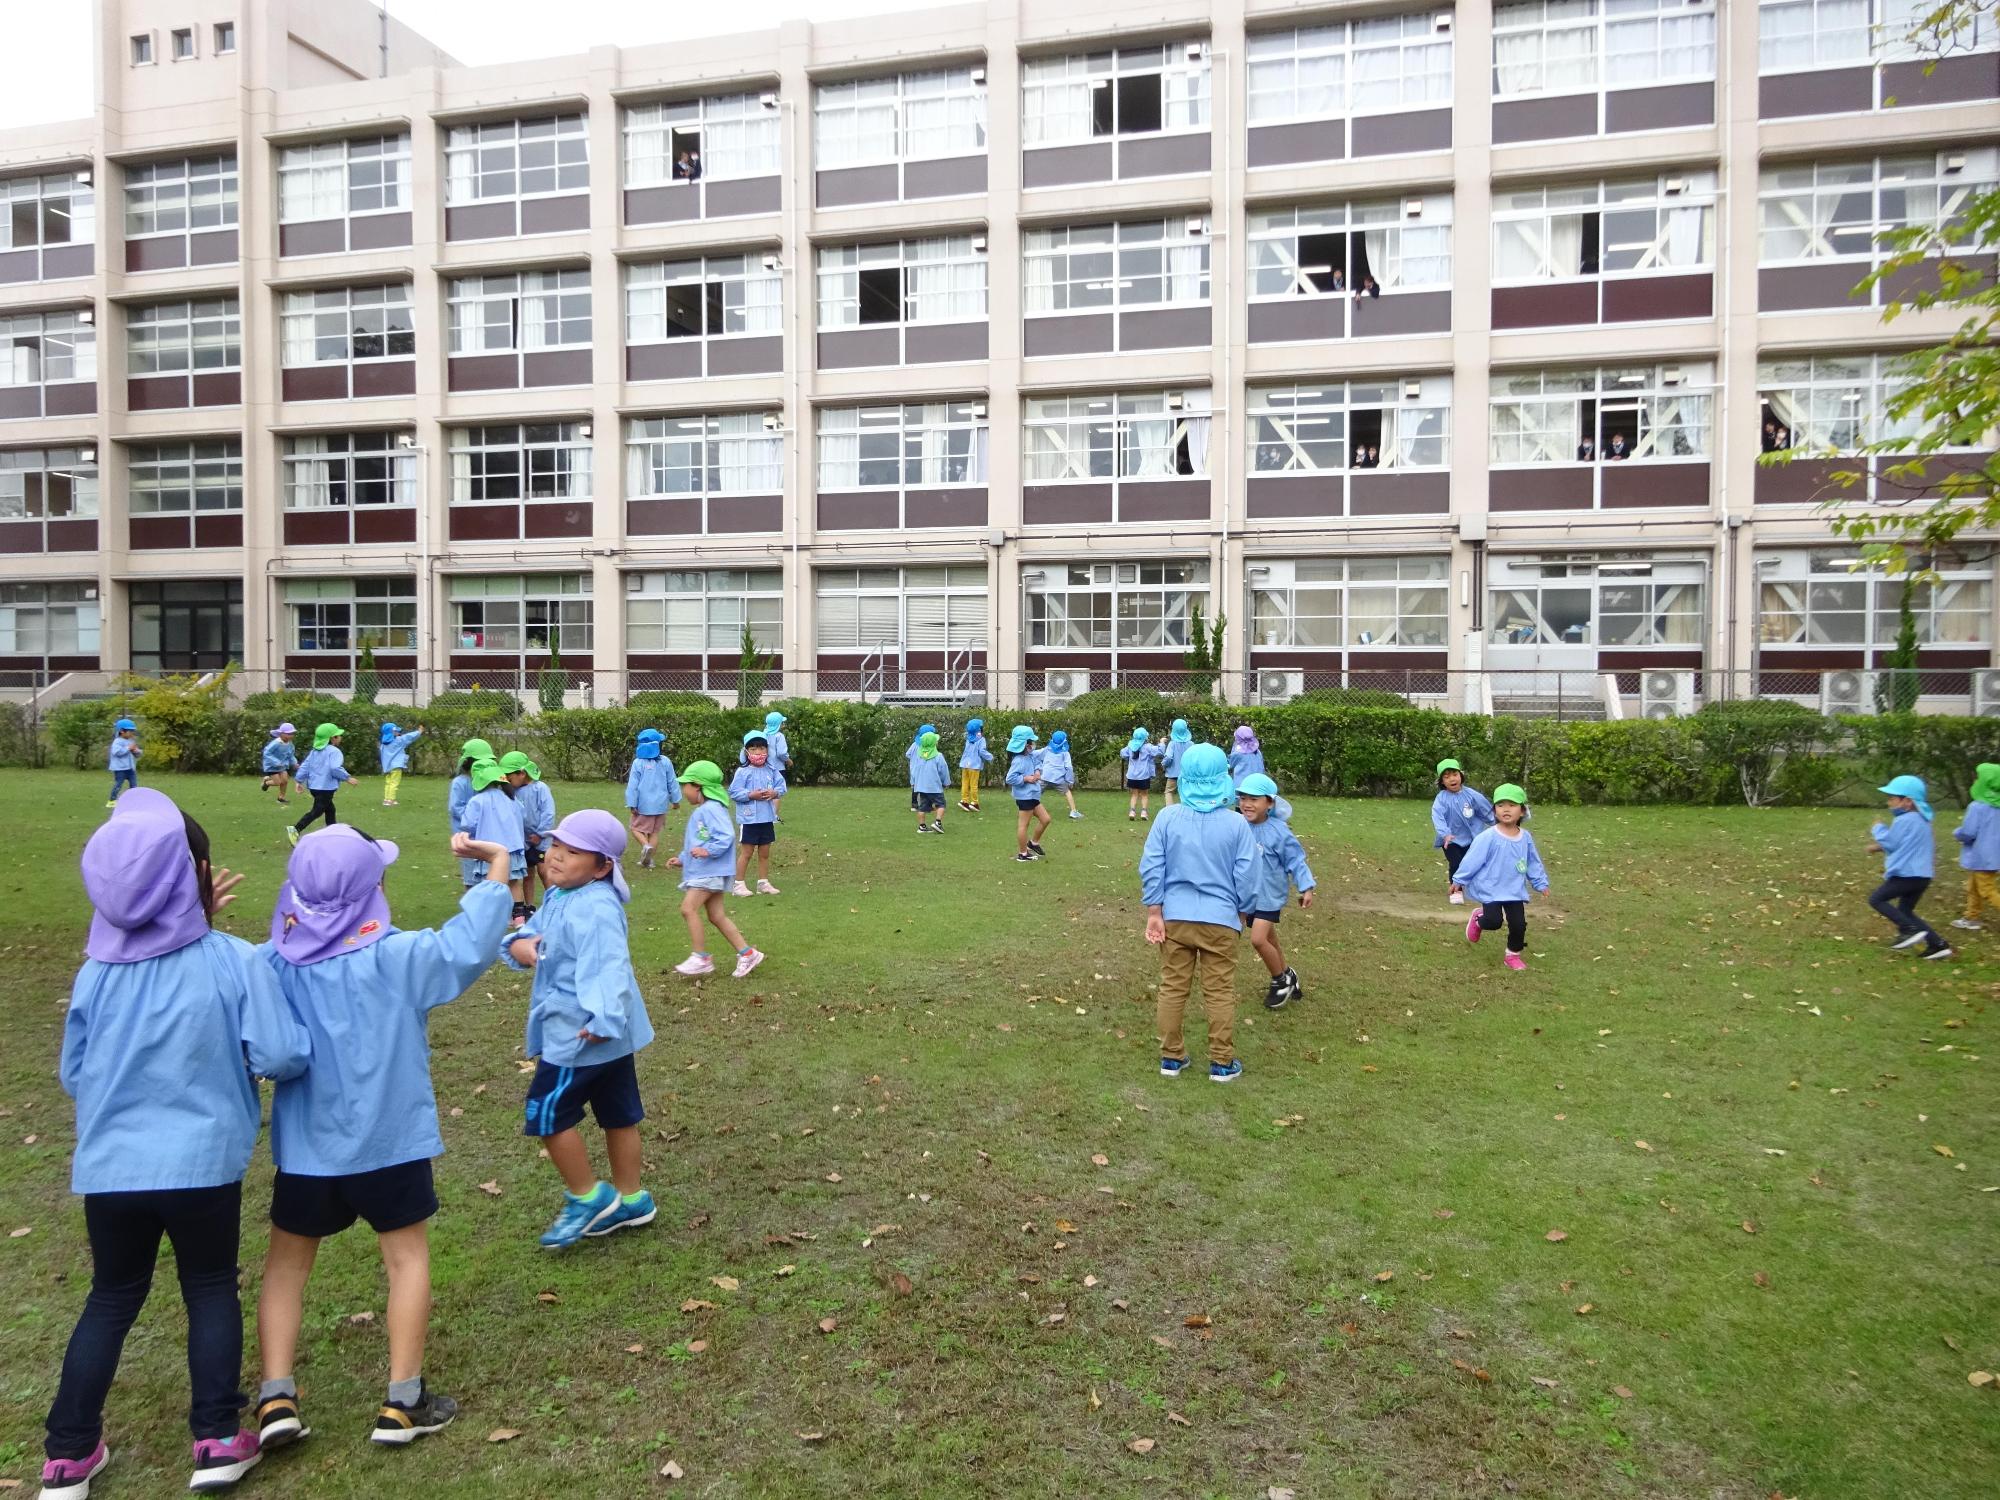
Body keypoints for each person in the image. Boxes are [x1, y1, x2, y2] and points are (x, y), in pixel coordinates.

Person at [44, 790, 311, 1498]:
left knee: (111, 1297)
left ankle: (67, 1456)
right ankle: (218, 1437)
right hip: (202, 1166)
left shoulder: (95, 973)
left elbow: (76, 1072)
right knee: (209, 1288)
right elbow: (283, 1054)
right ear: (197, 873)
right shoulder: (234, 961)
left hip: (111, 1169)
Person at [254, 827, 512, 1456]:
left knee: (287, 1265)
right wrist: (498, 866)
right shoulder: (398, 958)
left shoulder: (269, 965)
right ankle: (402, 1400)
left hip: (307, 1150)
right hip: (390, 1143)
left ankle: (275, 1395)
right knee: (407, 1260)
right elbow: (469, 943)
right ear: (373, 889)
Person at [503, 810, 660, 1249]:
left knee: (547, 1114)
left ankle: (588, 1197)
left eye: (572, 852)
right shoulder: (561, 895)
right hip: (604, 1035)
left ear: (602, 866)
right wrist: (518, 944)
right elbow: (530, 934)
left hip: (581, 1034)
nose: (556, 857)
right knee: (619, 1114)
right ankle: (631, 1199)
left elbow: (609, 966)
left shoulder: (595, 907)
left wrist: (604, 1019)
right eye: (555, 847)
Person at [1138, 744, 1259, 1084]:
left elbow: (1152, 865)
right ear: (1225, 778)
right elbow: (1248, 875)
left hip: (1175, 917)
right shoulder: (1237, 825)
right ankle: (1221, 1062)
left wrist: (1154, 909)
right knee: (1219, 989)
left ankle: (1171, 1057)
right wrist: (1243, 910)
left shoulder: (1167, 817)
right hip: (1221, 919)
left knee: (1173, 987)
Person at [668, 761, 762, 978]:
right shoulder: (706, 810)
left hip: (709, 872)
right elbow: (699, 840)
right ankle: (748, 954)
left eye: (687, 786)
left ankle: (701, 957)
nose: (684, 791)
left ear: (698, 786)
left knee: (688, 909)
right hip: (708, 870)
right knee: (716, 916)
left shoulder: (711, 809)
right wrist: (683, 858)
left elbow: (725, 837)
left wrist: (707, 851)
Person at [1236, 774, 1316, 1009]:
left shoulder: (1279, 831)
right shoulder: (1238, 825)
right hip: (1246, 895)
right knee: (1270, 939)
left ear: (1269, 803)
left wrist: (1306, 886)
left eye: (1254, 799)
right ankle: (1288, 974)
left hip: (1269, 896)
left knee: (1258, 940)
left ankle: (1279, 980)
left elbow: (1296, 861)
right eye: (1243, 798)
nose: (1247, 804)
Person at [1452, 783, 1549, 971]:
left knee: (1519, 925)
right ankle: (1479, 918)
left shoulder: (1526, 837)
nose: (1506, 809)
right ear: (1495, 810)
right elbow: (1472, 859)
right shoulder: (1488, 836)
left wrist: (1540, 882)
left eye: (1512, 805)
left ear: (1522, 811)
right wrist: (1459, 880)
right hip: (1491, 888)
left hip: (1514, 889)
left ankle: (1512, 955)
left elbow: (1533, 862)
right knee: (1494, 922)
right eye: (1501, 805)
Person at [1868, 775, 1951, 960]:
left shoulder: (1905, 820)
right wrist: (1877, 848)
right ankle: (1937, 945)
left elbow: (1891, 842)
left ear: (1907, 802)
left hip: (1906, 875)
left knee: (1876, 899)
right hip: (1922, 876)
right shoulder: (1922, 820)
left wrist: (1878, 828)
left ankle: (1908, 929)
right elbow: (1904, 844)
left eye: (1892, 798)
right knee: (1905, 911)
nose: (1888, 802)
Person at [459, 757, 530, 924]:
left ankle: (493, 919)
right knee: (513, 883)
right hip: (512, 848)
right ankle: (519, 918)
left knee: (491, 884)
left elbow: (467, 824)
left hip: (489, 851)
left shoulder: (477, 801)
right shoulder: (511, 798)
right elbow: (524, 816)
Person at [1430, 759, 1497, 905]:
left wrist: (1500, 826)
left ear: (1461, 775)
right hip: (1450, 840)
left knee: (1474, 864)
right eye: (1446, 777)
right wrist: (1445, 833)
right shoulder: (1441, 799)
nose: (1452, 779)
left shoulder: (1472, 795)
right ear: (1442, 781)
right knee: (1456, 863)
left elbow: (1486, 811)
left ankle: (1479, 889)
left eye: (1454, 774)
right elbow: (1437, 816)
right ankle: (1456, 891)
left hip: (1472, 839)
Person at [729, 731, 786, 896]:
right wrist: (749, 795)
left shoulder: (772, 769)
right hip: (749, 819)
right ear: (746, 752)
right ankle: (738, 885)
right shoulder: (742, 771)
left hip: (767, 817)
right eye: (753, 749)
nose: (758, 752)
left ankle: (763, 883)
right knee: (746, 852)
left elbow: (781, 787)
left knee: (765, 852)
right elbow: (734, 792)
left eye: (762, 748)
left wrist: (774, 793)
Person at [503, 752, 557, 909]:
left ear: (522, 773)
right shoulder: (512, 791)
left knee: (544, 870)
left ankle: (555, 902)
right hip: (523, 840)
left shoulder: (540, 788)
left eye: (510, 777)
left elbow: (548, 813)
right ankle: (529, 906)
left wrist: (540, 834)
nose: (508, 781)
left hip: (541, 840)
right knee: (527, 873)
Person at [290, 724, 359, 845]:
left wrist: (298, 781)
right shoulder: (335, 752)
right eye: (339, 736)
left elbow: (305, 766)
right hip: (325, 788)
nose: (340, 738)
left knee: (330, 810)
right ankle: (296, 829)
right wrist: (347, 778)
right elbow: (335, 768)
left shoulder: (314, 751)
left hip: (314, 787)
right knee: (317, 811)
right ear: (333, 738)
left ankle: (332, 835)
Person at [1951, 762, 2000, 932]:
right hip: (1993, 857)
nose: (1975, 780)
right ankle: (1972, 917)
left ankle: (1972, 916)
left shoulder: (1977, 807)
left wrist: (1957, 833)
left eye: (1978, 778)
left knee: (1987, 890)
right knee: (1973, 887)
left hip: (1981, 857)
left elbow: (1969, 832)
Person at [624, 728, 680, 871]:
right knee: (654, 832)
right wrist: (675, 800)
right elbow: (672, 782)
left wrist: (632, 803)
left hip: (643, 805)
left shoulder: (638, 763)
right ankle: (649, 861)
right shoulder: (665, 761)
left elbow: (633, 786)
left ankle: (645, 846)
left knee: (635, 828)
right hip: (661, 805)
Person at [447, 738, 495, 888]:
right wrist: (477, 818)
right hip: (466, 836)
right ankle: (473, 906)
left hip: (485, 834)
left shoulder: (485, 782)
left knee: (487, 871)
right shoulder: (460, 782)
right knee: (470, 873)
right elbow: (456, 808)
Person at [1005, 725, 1050, 863]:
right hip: (1025, 797)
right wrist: (1026, 778)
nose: (1033, 744)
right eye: (1031, 741)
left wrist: (1037, 772)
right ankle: (1023, 853)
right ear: (1025, 744)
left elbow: (1037, 763)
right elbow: (1010, 778)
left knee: (1046, 819)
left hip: (1033, 796)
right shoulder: (1018, 760)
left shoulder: (1030, 755)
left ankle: (1033, 843)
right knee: (1023, 825)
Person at [740, 712, 791, 822]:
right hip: (777, 768)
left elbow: (743, 756)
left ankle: (761, 814)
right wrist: (788, 760)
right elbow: (781, 753)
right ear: (778, 724)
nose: (783, 725)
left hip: (759, 768)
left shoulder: (761, 735)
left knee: (761, 792)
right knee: (774, 793)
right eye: (782, 723)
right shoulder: (779, 736)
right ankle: (774, 816)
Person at [909, 729, 952, 834]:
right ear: (934, 743)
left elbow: (914, 770)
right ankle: (938, 823)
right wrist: (946, 782)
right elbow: (943, 770)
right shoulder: (938, 756)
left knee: (922, 807)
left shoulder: (919, 756)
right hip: (934, 787)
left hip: (921, 787)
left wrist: (913, 781)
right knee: (941, 805)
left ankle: (922, 826)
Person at [377, 723, 424, 807]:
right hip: (396, 766)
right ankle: (391, 800)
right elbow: (409, 737)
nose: (398, 733)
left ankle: (386, 799)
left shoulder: (383, 745)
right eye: (396, 731)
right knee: (394, 783)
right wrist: (419, 731)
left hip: (387, 767)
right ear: (392, 732)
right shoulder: (398, 741)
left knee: (388, 783)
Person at [1120, 727, 1163, 820]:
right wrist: (1162, 742)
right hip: (1144, 776)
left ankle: (1132, 812)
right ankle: (1143, 812)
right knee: (1144, 794)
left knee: (1134, 794)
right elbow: (1159, 751)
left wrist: (1129, 758)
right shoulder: (1148, 747)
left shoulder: (1129, 747)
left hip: (1132, 776)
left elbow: (1123, 753)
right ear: (1145, 737)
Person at [1040, 729, 1081, 820]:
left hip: (1045, 776)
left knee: (1036, 793)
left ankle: (1028, 810)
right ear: (1064, 741)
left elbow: (1037, 755)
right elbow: (1069, 768)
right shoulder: (1065, 753)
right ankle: (1073, 812)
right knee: (1067, 792)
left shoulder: (1047, 749)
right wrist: (1070, 781)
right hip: (1058, 778)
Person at [958, 717, 993, 812]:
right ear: (979, 729)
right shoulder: (981, 739)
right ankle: (974, 802)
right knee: (973, 785)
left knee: (965, 783)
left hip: (965, 764)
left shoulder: (968, 739)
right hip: (974, 766)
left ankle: (964, 801)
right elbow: (982, 751)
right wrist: (990, 757)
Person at [105, 717, 141, 808]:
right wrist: (128, 748)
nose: (132, 733)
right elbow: (117, 752)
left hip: (130, 768)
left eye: (132, 731)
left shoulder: (130, 741)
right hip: (120, 768)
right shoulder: (117, 742)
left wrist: (136, 751)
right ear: (122, 731)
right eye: (130, 731)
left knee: (134, 785)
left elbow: (137, 754)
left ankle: (133, 800)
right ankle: (112, 800)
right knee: (118, 784)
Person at [261, 724, 298, 805]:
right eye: (288, 734)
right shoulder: (276, 743)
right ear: (281, 734)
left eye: (292, 734)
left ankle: (281, 798)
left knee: (285, 781)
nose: (291, 736)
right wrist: (276, 762)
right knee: (278, 782)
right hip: (271, 766)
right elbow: (267, 753)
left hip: (282, 766)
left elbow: (290, 755)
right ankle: (266, 783)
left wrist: (294, 763)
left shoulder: (290, 744)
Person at [905, 722, 937, 815]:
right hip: (923, 771)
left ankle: (914, 805)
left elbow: (908, 754)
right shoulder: (928, 746)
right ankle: (927, 805)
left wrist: (913, 760)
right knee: (926, 787)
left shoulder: (914, 744)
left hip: (914, 770)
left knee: (915, 788)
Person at [1162, 719, 1193, 804]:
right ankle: (1186, 811)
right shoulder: (1191, 744)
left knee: (1168, 792)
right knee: (1186, 793)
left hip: (1173, 774)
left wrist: (1164, 764)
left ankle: (1170, 812)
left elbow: (1168, 757)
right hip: (1187, 774)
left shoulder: (1172, 744)